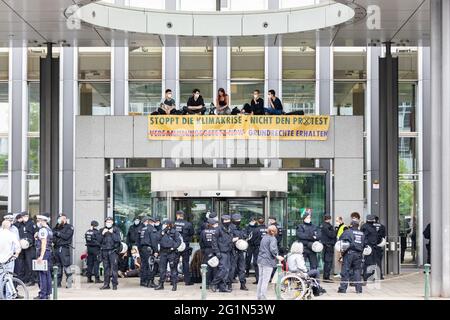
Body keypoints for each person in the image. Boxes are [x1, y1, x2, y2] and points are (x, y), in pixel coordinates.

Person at [256, 225, 284, 300]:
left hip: (260, 260)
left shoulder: (264, 237)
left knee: (261, 279)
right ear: (274, 231)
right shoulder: (272, 238)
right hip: (267, 261)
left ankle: (259, 296)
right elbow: (273, 249)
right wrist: (277, 256)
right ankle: (263, 297)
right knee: (265, 280)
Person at [338, 220, 366, 294]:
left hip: (349, 253)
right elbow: (365, 244)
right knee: (357, 271)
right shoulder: (362, 233)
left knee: (345, 271)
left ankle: (343, 289)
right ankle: (359, 289)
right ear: (358, 226)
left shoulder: (348, 232)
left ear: (351, 225)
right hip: (359, 254)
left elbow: (340, 240)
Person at [155, 220, 181, 291]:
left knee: (173, 269)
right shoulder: (161, 232)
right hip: (163, 252)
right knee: (162, 269)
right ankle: (161, 284)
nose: (164, 225)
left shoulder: (174, 232)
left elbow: (178, 241)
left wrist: (173, 247)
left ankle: (174, 284)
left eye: (165, 224)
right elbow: (157, 239)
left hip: (171, 252)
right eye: (163, 224)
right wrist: (162, 233)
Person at [210, 215, 234, 293]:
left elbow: (229, 239)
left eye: (229, 221)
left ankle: (222, 287)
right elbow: (214, 242)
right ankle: (214, 283)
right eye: (226, 221)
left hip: (228, 251)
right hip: (221, 252)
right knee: (223, 270)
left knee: (227, 270)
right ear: (223, 221)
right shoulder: (218, 229)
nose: (228, 222)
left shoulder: (229, 229)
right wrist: (217, 252)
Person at [0, 220, 21, 299]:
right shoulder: (11, 235)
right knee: (9, 277)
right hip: (9, 259)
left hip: (0, 259)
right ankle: (9, 295)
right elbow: (18, 246)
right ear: (9, 226)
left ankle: (1, 295)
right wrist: (16, 254)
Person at [99, 217, 121, 290]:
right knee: (106, 269)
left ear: (112, 222)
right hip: (104, 251)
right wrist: (102, 234)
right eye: (107, 221)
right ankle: (106, 284)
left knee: (114, 268)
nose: (108, 223)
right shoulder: (102, 230)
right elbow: (98, 241)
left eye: (110, 221)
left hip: (113, 251)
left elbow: (118, 239)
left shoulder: (116, 229)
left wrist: (112, 233)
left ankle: (114, 284)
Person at [34, 213, 53, 300]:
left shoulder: (42, 230)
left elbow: (44, 243)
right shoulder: (49, 229)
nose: (38, 222)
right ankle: (48, 293)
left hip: (43, 253)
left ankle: (43, 295)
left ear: (42, 221)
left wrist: (41, 256)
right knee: (47, 273)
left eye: (39, 220)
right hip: (48, 252)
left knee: (42, 274)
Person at [53, 213, 74, 288]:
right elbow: (53, 237)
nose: (62, 220)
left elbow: (66, 236)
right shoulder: (56, 227)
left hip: (64, 248)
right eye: (61, 218)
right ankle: (57, 283)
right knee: (58, 266)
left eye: (64, 218)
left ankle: (69, 283)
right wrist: (58, 236)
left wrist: (58, 234)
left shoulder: (69, 227)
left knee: (66, 266)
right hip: (56, 248)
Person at [138, 216, 160, 288]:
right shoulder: (152, 229)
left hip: (143, 249)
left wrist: (140, 249)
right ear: (152, 222)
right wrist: (156, 250)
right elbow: (154, 241)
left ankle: (143, 281)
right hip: (149, 249)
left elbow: (138, 240)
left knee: (144, 266)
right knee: (151, 266)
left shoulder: (143, 229)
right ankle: (150, 282)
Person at [174, 210, 194, 286]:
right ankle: (187, 281)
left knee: (175, 263)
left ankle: (174, 280)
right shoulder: (188, 224)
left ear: (177, 215)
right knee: (185, 263)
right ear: (183, 216)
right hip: (185, 245)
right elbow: (192, 233)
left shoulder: (173, 224)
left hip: (176, 245)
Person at [229, 214, 248, 291]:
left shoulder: (240, 228)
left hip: (240, 251)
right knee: (232, 268)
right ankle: (229, 284)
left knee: (242, 268)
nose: (239, 221)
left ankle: (243, 284)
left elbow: (244, 236)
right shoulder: (229, 228)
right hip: (232, 250)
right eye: (238, 220)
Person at [199, 218, 219, 288]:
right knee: (215, 267)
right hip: (215, 250)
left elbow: (201, 242)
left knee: (206, 267)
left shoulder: (203, 232)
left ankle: (206, 284)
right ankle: (215, 284)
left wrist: (203, 250)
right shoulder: (217, 231)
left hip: (207, 251)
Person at [248, 216, 267, 284]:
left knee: (257, 264)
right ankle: (265, 279)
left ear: (257, 222)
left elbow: (252, 239)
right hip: (266, 249)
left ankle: (258, 279)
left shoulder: (255, 230)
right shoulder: (267, 229)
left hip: (258, 248)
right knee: (265, 264)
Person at [361, 215, 379, 282]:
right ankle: (366, 277)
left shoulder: (372, 227)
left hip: (373, 247)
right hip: (368, 248)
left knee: (372, 263)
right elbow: (363, 237)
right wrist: (366, 246)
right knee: (368, 262)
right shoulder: (366, 227)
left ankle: (369, 276)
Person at [320, 215, 336, 281]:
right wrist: (335, 230)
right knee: (328, 262)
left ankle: (326, 276)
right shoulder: (328, 226)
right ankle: (326, 277)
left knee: (326, 261)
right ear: (329, 219)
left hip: (325, 245)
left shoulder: (322, 225)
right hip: (329, 245)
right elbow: (332, 235)